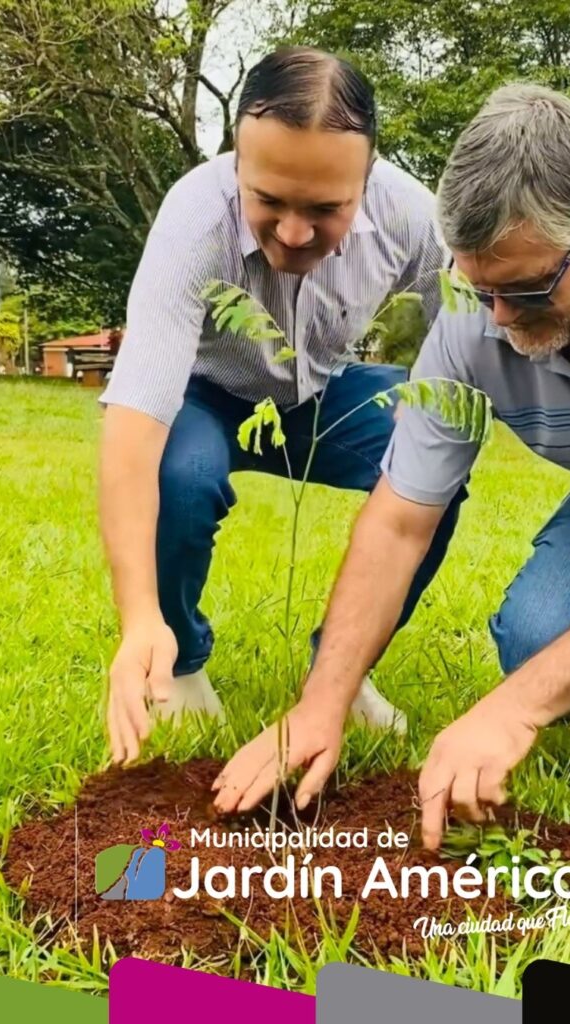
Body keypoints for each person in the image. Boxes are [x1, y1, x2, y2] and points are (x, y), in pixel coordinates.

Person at [213, 83, 570, 843]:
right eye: (483, 291)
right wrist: (321, 703)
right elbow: (399, 523)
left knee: (553, 675)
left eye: (527, 289)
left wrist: (511, 711)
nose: (499, 323)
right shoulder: (474, 315)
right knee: (539, 642)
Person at [99, 46, 466, 766]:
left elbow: (466, 336)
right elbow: (137, 416)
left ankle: (342, 667)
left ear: (367, 178)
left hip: (321, 393)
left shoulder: (413, 217)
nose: (294, 234)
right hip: (205, 396)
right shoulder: (193, 220)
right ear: (237, 161)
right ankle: (180, 661)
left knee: (434, 455)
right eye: (268, 200)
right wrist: (138, 618)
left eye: (326, 209)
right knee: (180, 477)